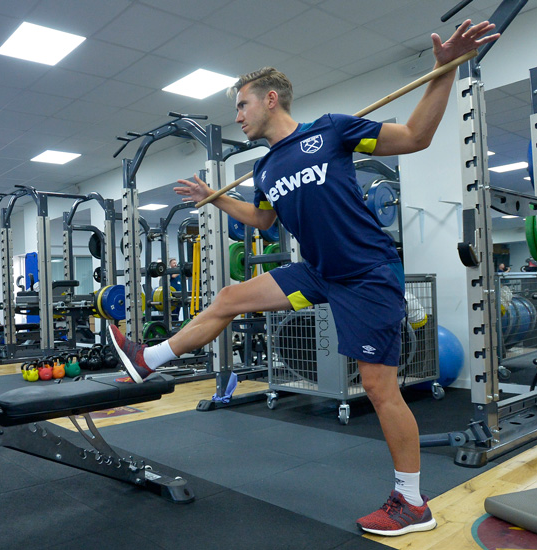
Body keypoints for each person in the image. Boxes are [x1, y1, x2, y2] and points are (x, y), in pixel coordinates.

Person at [108, 21, 499, 537]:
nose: (238, 116)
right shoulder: (267, 167)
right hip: (319, 273)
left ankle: (411, 503)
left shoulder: (332, 130)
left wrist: (444, 70)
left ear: (271, 99)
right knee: (229, 296)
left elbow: (417, 138)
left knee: (381, 388)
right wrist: (216, 198)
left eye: (242, 105)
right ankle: (148, 360)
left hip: (367, 274)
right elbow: (264, 220)